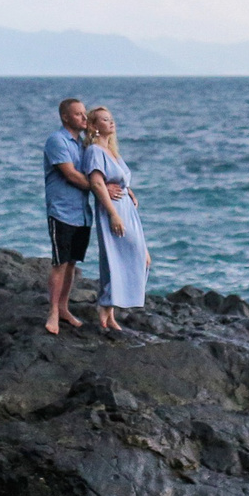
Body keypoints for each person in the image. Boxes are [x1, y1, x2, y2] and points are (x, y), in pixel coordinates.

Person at [81, 106, 149, 334]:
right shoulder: (94, 151)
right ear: (94, 126)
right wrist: (113, 214)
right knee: (115, 257)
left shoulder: (112, 151)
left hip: (127, 210)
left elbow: (120, 179)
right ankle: (104, 307)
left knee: (139, 257)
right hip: (114, 210)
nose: (111, 123)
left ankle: (109, 311)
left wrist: (129, 191)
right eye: (105, 120)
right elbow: (98, 183)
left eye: (112, 119)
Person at [42, 97, 94, 335]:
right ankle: (52, 311)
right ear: (65, 117)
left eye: (85, 114)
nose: (84, 118)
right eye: (78, 114)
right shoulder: (57, 140)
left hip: (82, 214)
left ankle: (64, 308)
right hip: (61, 211)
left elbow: (99, 170)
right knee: (60, 263)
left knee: (72, 263)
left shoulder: (83, 144)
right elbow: (71, 175)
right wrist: (99, 189)